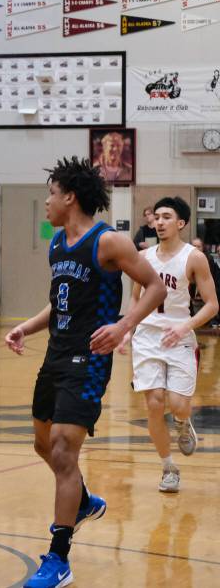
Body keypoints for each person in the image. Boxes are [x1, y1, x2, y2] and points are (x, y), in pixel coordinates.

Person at [4, 157, 166, 588]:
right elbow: (57, 302)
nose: (46, 202)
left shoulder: (109, 242)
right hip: (55, 355)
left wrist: (123, 325)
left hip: (89, 357)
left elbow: (155, 286)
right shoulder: (58, 243)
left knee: (61, 449)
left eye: (51, 194)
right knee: (42, 444)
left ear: (70, 197)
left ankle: (58, 558)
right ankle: (81, 500)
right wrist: (27, 325)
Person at [124, 197, 218, 493]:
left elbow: (213, 305)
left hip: (178, 336)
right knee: (153, 404)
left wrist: (184, 327)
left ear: (181, 224)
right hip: (148, 338)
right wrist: (127, 328)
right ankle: (168, 468)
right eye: (157, 217)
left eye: (167, 217)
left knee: (177, 405)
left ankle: (183, 421)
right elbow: (136, 297)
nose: (160, 222)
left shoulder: (194, 258)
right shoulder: (144, 257)